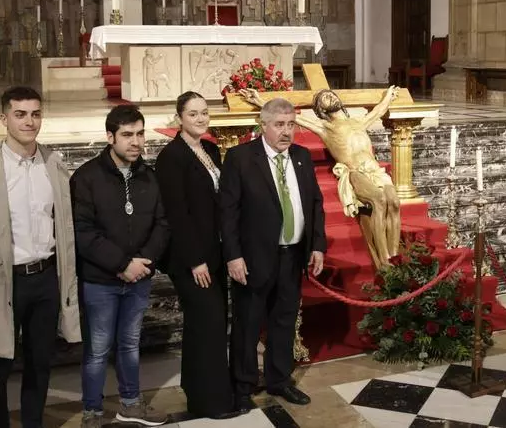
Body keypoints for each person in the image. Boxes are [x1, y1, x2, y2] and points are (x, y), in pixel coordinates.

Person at [0, 86, 80, 428]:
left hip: (45, 276)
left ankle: (33, 423)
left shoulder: (53, 165)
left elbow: (63, 225)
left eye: (35, 114)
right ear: (4, 119)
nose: (30, 121)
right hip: (4, 279)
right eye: (21, 114)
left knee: (40, 360)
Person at [220, 98, 326, 408]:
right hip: (252, 259)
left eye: (291, 124)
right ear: (263, 125)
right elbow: (228, 212)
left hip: (292, 256)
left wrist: (317, 245)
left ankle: (279, 380)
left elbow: (315, 205)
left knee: (284, 321)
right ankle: (242, 386)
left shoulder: (302, 157)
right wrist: (233, 255)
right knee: (248, 323)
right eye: (279, 125)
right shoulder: (241, 158)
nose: (286, 131)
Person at [72, 104, 170, 427]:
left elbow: (162, 224)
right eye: (127, 135)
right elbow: (83, 232)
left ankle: (130, 403)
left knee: (130, 345)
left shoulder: (149, 176)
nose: (136, 142)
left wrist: (143, 263)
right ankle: (92, 411)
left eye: (140, 134)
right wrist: (121, 264)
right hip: (101, 280)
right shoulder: (86, 177)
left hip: (138, 277)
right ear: (110, 136)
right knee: (98, 350)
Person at [238, 86, 401, 269]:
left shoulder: (359, 121)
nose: (329, 97)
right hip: (356, 172)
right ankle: (384, 260)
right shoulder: (325, 127)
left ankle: (395, 257)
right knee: (379, 200)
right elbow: (295, 118)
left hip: (376, 170)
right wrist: (260, 101)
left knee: (394, 203)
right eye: (324, 98)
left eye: (330, 94)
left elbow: (378, 110)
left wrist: (388, 96)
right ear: (320, 110)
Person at [154, 92, 244, 420]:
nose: (201, 119)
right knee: (208, 325)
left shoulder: (207, 148)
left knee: (207, 327)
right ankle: (214, 403)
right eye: (193, 114)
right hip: (192, 261)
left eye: (205, 113)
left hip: (215, 254)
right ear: (180, 118)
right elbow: (177, 214)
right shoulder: (171, 157)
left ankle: (199, 393)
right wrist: (195, 260)